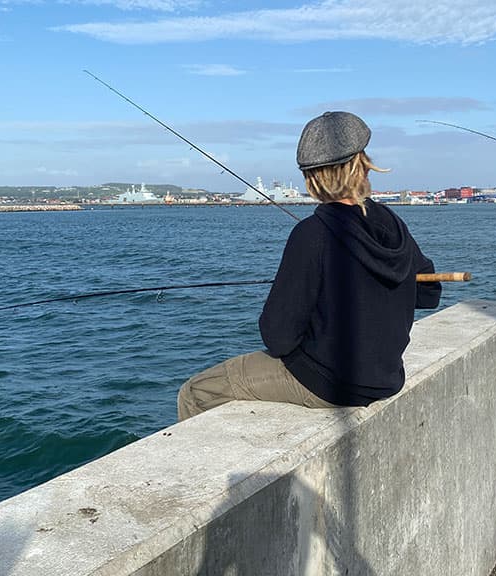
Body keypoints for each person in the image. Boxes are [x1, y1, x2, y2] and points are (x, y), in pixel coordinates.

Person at [177, 111, 442, 421]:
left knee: (196, 392)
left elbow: (277, 338)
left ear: (312, 177)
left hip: (329, 384)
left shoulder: (311, 234)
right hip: (386, 378)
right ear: (362, 164)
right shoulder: (392, 223)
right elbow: (428, 295)